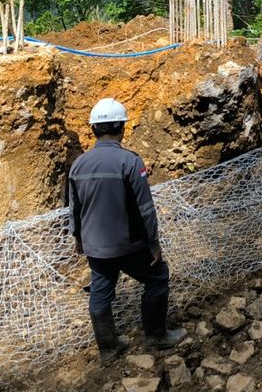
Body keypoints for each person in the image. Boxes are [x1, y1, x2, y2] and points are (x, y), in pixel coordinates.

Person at [68, 98, 186, 364]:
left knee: (100, 292)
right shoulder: (129, 161)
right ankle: (156, 336)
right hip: (129, 244)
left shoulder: (78, 164)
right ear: (122, 126)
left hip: (95, 246)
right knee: (157, 277)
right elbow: (145, 208)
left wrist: (77, 237)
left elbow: (73, 207)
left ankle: (109, 349)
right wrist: (153, 243)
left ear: (93, 130)